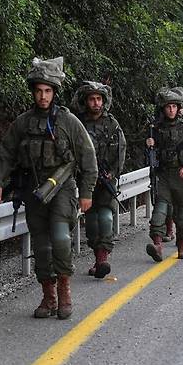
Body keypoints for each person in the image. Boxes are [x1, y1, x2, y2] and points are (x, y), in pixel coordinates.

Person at [0, 57, 97, 320]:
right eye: (38, 91)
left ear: (54, 92)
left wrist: (86, 192)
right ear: (33, 92)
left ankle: (64, 292)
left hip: (62, 188)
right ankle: (48, 296)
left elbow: (87, 157)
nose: (42, 96)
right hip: (34, 190)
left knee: (60, 238)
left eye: (47, 91)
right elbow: (6, 152)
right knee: (41, 245)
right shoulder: (23, 123)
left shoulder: (68, 122)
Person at [70, 81, 126, 278]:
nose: (95, 103)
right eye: (92, 99)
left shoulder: (112, 124)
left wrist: (113, 172)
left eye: (99, 99)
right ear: (86, 101)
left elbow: (121, 149)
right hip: (85, 180)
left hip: (106, 180)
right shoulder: (77, 123)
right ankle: (98, 258)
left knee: (105, 217)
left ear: (104, 101)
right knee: (92, 221)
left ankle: (103, 258)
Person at [145, 87, 183, 261]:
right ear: (163, 108)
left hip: (182, 176)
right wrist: (149, 144)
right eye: (168, 106)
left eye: (174, 106)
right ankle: (157, 245)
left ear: (179, 108)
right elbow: (150, 154)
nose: (171, 110)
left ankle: (182, 245)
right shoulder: (156, 128)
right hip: (164, 175)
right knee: (159, 213)